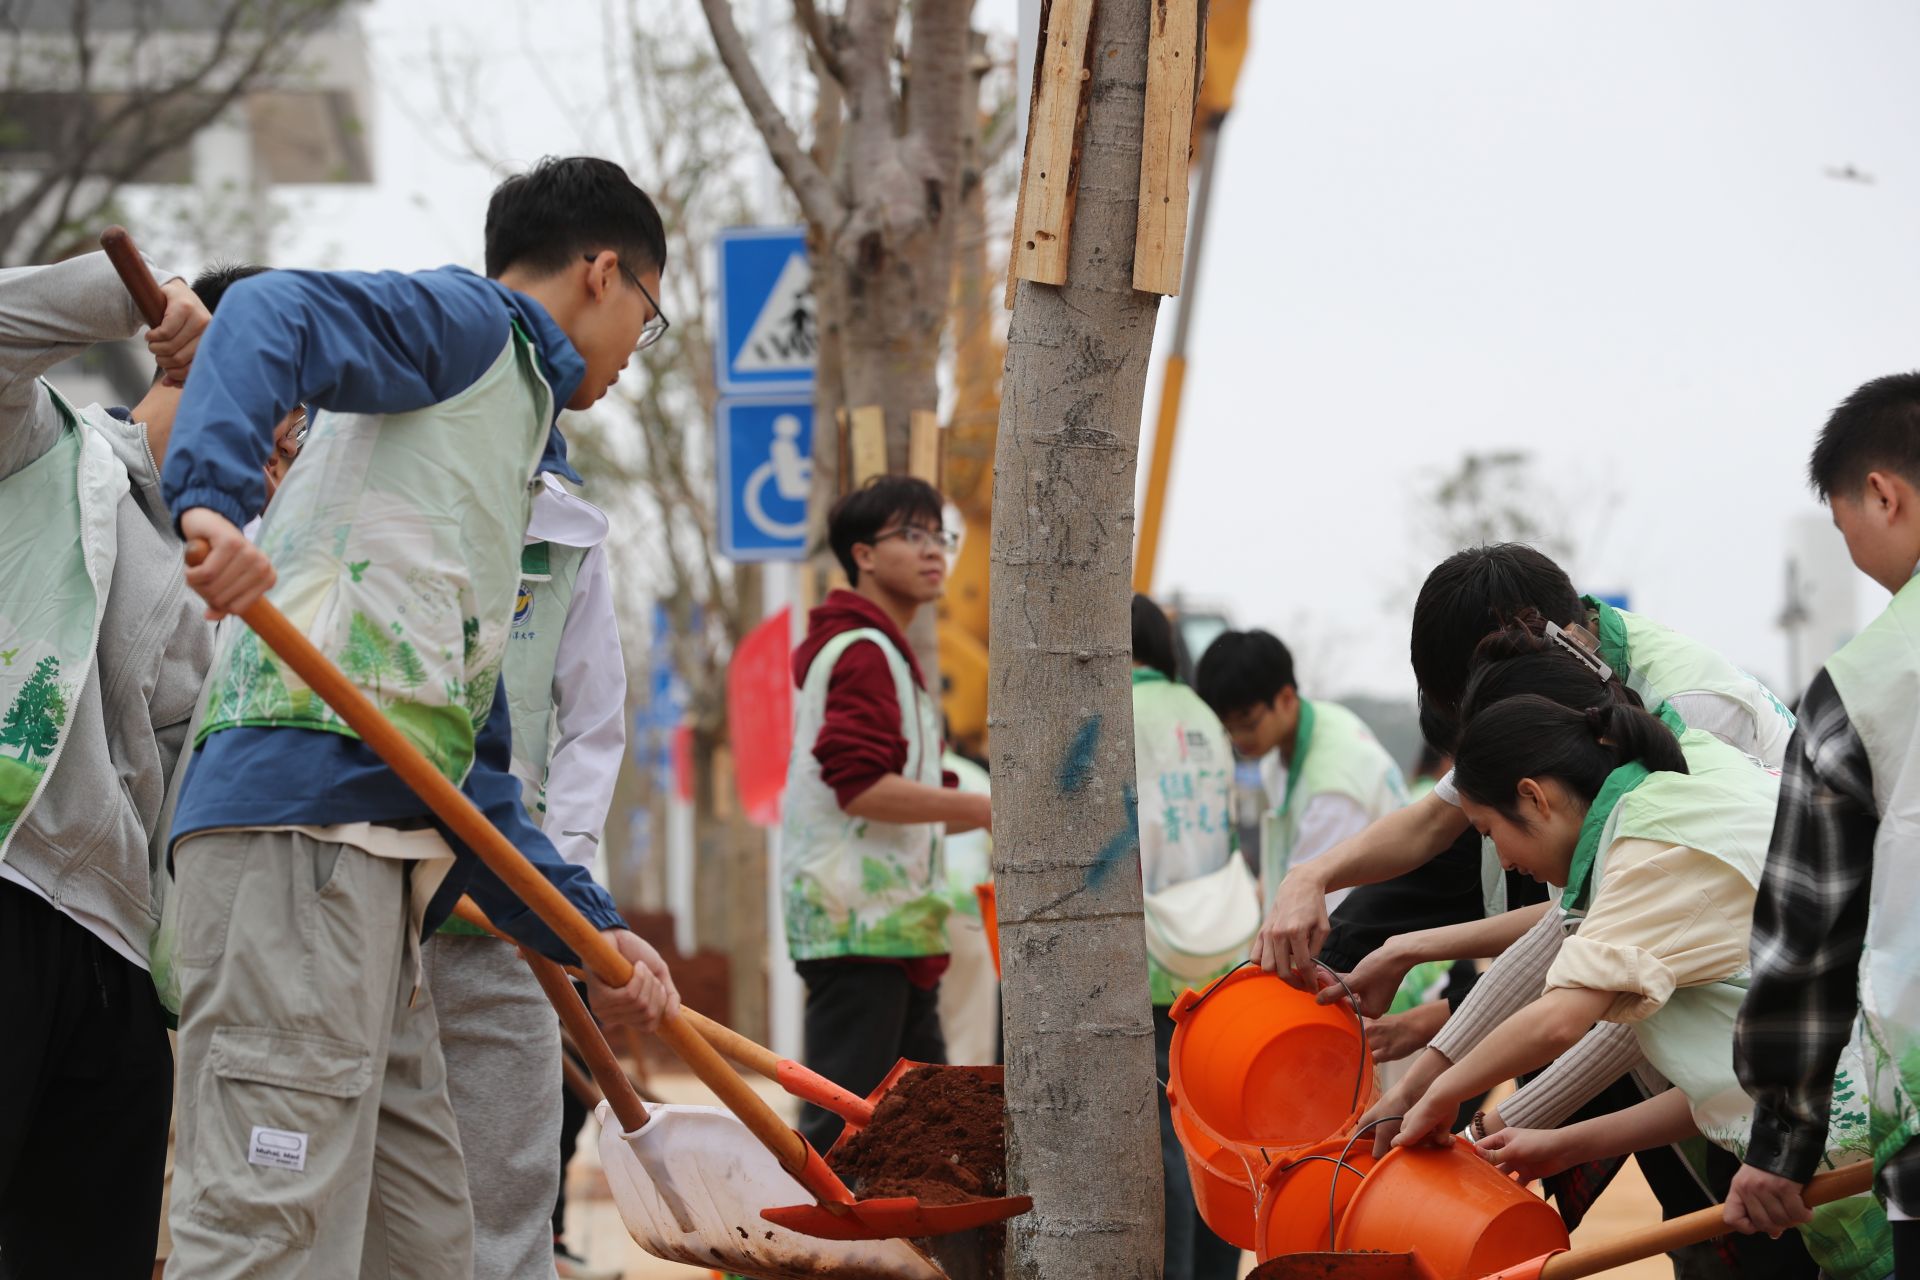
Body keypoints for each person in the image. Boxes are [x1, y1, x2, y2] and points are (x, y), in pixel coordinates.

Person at [157, 155, 678, 1279]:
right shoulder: (474, 327)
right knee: (268, 1225)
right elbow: (268, 308)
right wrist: (211, 497)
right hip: (298, 830)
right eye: (650, 309)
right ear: (603, 272)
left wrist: (592, 930)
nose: (641, 345)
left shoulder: (504, 450)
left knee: (428, 1239)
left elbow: (471, 763)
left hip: (379, 860)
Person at [1387, 689, 1886, 1279]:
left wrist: (1437, 1097)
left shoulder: (1650, 848)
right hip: (1848, 1178)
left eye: (1490, 833)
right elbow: (1728, 1087)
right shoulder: (1687, 776)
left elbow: (1557, 1019)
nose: (1505, 861)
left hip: (1880, 1168)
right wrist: (1560, 1145)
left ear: (1533, 797)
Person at [1256, 544, 1797, 984]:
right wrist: (1312, 876)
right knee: (1371, 916)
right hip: (1619, 921)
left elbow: (1583, 929)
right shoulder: (1557, 664)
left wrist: (1417, 966)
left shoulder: (1690, 711)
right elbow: (1429, 823)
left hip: (1742, 954)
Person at [0, 248, 214, 1277]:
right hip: (16, 875)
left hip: (121, 953)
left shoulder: (219, 568)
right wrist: (139, 297)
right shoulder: (42, 441)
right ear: (177, 373)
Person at [1728, 372, 1920, 1273]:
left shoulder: (1865, 685)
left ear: (1883, 494)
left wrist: (1782, 1143)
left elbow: (1807, 940)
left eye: (1847, 531)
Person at [421, 465, 629, 1280]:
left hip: (516, 905)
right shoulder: (381, 486)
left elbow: (594, 729)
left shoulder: (571, 539)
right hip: (371, 896)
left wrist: (560, 899)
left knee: (507, 1182)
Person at [780, 475, 989, 1151]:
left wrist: (983, 809)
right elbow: (861, 787)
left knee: (921, 1126)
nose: (935, 552)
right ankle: (784, 1256)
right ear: (864, 555)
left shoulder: (882, 652)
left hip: (892, 930)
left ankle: (884, 1255)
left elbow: (905, 803)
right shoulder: (865, 652)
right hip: (858, 928)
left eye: (941, 536)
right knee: (840, 1134)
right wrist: (987, 808)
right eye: (913, 535)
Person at [1133, 595, 1247, 1280]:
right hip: (1220, 950)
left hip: (1150, 955)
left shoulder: (1116, 710)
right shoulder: (1201, 713)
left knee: (1160, 1146)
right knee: (1215, 1138)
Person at [1193, 628, 1407, 906]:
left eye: (1246, 723)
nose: (1237, 738)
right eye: (1226, 727)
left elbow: (1321, 910)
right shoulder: (1298, 738)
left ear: (1285, 698)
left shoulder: (1331, 787)